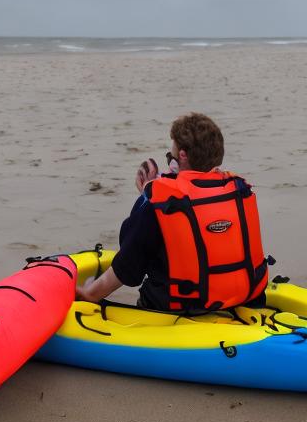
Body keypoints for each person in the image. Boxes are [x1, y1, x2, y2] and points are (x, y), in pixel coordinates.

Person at [76, 113, 272, 312]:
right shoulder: (239, 191)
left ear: (183, 156)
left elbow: (128, 268)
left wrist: (90, 294)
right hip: (246, 300)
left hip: (184, 309)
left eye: (173, 151)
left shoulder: (160, 202)